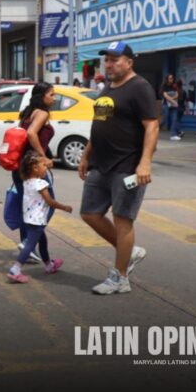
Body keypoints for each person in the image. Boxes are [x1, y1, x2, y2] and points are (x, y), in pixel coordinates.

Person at [77, 41, 155, 295]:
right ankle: (129, 252)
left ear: (129, 62)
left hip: (127, 165)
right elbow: (98, 124)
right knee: (89, 213)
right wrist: (86, 155)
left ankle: (120, 277)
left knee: (123, 221)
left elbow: (151, 127)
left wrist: (145, 162)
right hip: (101, 162)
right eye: (107, 60)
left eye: (115, 59)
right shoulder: (107, 88)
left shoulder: (140, 87)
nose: (109, 64)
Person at [7, 151, 71, 283]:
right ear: (35, 168)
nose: (46, 168)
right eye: (44, 166)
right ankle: (15, 269)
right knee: (30, 245)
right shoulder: (41, 184)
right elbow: (50, 201)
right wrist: (64, 207)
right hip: (37, 220)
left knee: (43, 241)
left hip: (29, 218)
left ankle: (49, 265)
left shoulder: (27, 182)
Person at [13, 82, 56, 263]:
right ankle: (29, 243)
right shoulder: (42, 113)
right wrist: (43, 157)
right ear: (42, 96)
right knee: (48, 204)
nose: (54, 98)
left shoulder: (28, 112)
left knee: (28, 206)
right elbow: (31, 134)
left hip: (21, 166)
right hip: (34, 168)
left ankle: (27, 244)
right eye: (51, 94)